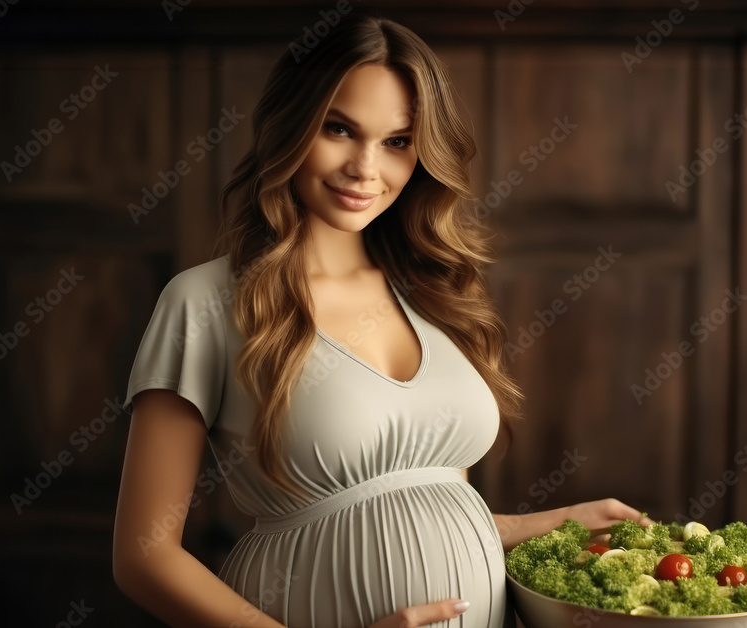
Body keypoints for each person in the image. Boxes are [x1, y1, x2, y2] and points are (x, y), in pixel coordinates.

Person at [112, 13, 651, 628]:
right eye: (339, 129)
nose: (366, 168)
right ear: (291, 125)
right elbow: (143, 556)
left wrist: (542, 526)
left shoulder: (436, 291)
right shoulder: (204, 303)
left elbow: (412, 508)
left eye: (397, 141)